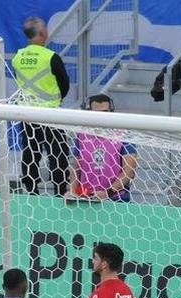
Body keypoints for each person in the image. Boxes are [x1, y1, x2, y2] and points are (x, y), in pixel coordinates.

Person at [11, 16, 71, 196]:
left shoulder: (18, 57)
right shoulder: (51, 57)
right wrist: (55, 99)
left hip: (28, 114)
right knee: (58, 154)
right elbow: (64, 84)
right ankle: (60, 191)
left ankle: (31, 191)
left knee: (30, 152)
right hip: (50, 114)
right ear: (43, 33)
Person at [65, 94, 138, 202]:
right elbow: (76, 168)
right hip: (86, 197)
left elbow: (130, 171)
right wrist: (72, 190)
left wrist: (107, 193)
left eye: (105, 112)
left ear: (111, 112)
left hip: (116, 199)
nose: (101, 117)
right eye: (96, 113)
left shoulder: (123, 134)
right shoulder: (82, 135)